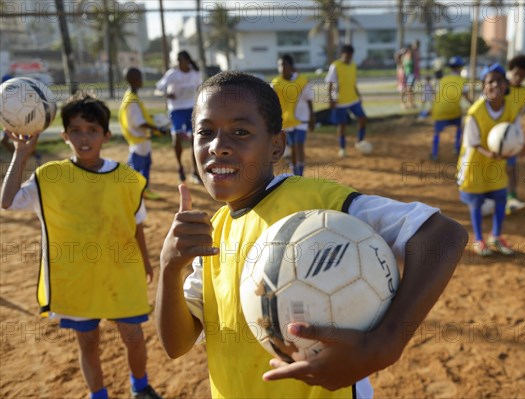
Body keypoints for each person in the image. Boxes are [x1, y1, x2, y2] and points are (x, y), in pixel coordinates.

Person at [156, 71, 468, 398]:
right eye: (205, 132)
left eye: (240, 131)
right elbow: (177, 344)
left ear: (276, 146)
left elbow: (443, 234)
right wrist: (169, 267)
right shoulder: (213, 231)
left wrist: (383, 345)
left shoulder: (321, 205)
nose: (218, 146)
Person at [0, 94, 162, 399]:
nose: (84, 137)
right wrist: (21, 155)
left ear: (106, 134)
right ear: (65, 136)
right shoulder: (50, 177)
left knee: (134, 337)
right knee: (88, 342)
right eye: (75, 130)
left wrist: (145, 260)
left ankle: (140, 386)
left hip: (121, 273)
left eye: (92, 130)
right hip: (76, 280)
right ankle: (97, 395)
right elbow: (6, 202)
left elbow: (135, 222)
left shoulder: (128, 178)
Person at [456, 64, 520, 257]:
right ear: (484, 86)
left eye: (499, 80)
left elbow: (515, 134)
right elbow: (472, 142)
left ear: (506, 85)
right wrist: (490, 153)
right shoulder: (475, 112)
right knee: (476, 203)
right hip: (475, 163)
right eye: (489, 81)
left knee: (501, 199)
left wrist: (515, 148)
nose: (494, 84)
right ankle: (479, 239)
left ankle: (497, 236)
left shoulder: (511, 107)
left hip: (496, 163)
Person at [156, 50, 203, 183]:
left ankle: (195, 171)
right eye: (177, 60)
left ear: (187, 60)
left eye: (180, 60)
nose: (178, 63)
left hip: (191, 108)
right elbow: (159, 87)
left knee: (195, 139)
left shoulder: (195, 73)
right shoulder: (172, 74)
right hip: (176, 109)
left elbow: (200, 87)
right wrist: (167, 94)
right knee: (177, 137)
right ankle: (179, 167)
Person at [119, 67, 166, 200]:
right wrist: (157, 128)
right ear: (134, 80)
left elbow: (139, 116)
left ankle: (144, 189)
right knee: (135, 167)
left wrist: (151, 118)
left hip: (142, 139)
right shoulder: (131, 99)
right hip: (138, 139)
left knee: (145, 164)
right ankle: (129, 191)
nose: (142, 80)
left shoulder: (133, 96)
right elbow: (138, 122)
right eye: (140, 77)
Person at [271, 54, 315, 176]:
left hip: (302, 120)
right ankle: (295, 170)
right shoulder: (276, 84)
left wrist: (312, 117)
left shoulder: (302, 81)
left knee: (298, 145)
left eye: (284, 64)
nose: (282, 67)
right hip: (285, 123)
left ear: (291, 66)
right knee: (292, 149)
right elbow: (271, 103)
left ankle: (299, 174)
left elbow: (309, 100)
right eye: (280, 65)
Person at [325, 44, 368, 158]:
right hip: (340, 101)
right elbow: (330, 84)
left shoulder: (353, 65)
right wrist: (331, 99)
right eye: (347, 55)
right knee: (342, 125)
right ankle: (342, 148)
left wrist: (358, 95)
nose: (349, 58)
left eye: (350, 56)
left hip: (353, 98)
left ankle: (359, 141)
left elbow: (353, 82)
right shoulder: (335, 66)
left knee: (362, 118)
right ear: (342, 54)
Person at [505, 54, 525, 214]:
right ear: (511, 70)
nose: (518, 78)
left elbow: (518, 116)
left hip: (511, 134)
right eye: (516, 73)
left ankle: (512, 196)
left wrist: (519, 139)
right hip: (492, 132)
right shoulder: (499, 87)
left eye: (522, 76)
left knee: (511, 167)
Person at [429, 56, 472, 161]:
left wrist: (431, 108)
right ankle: (456, 148)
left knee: (437, 133)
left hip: (439, 109)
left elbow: (437, 94)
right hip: (453, 109)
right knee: (459, 127)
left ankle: (434, 153)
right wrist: (474, 104)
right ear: (460, 68)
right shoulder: (462, 80)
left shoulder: (443, 79)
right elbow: (466, 96)